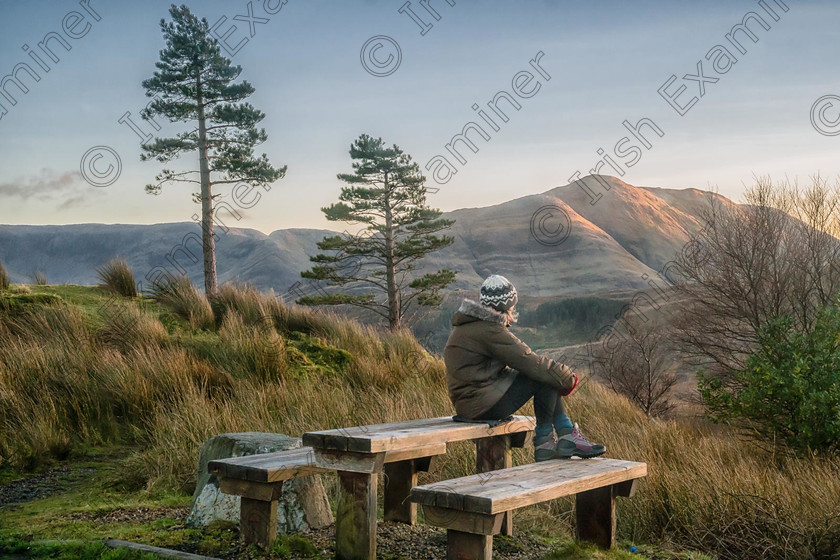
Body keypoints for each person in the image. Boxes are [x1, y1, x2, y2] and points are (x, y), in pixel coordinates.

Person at [443, 274, 605, 461]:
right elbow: (530, 362)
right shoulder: (489, 330)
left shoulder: (474, 326)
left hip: (473, 402)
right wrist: (569, 378)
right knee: (543, 374)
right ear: (502, 308)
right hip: (481, 405)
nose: (513, 313)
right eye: (511, 308)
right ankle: (553, 440)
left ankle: (557, 439)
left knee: (546, 374)